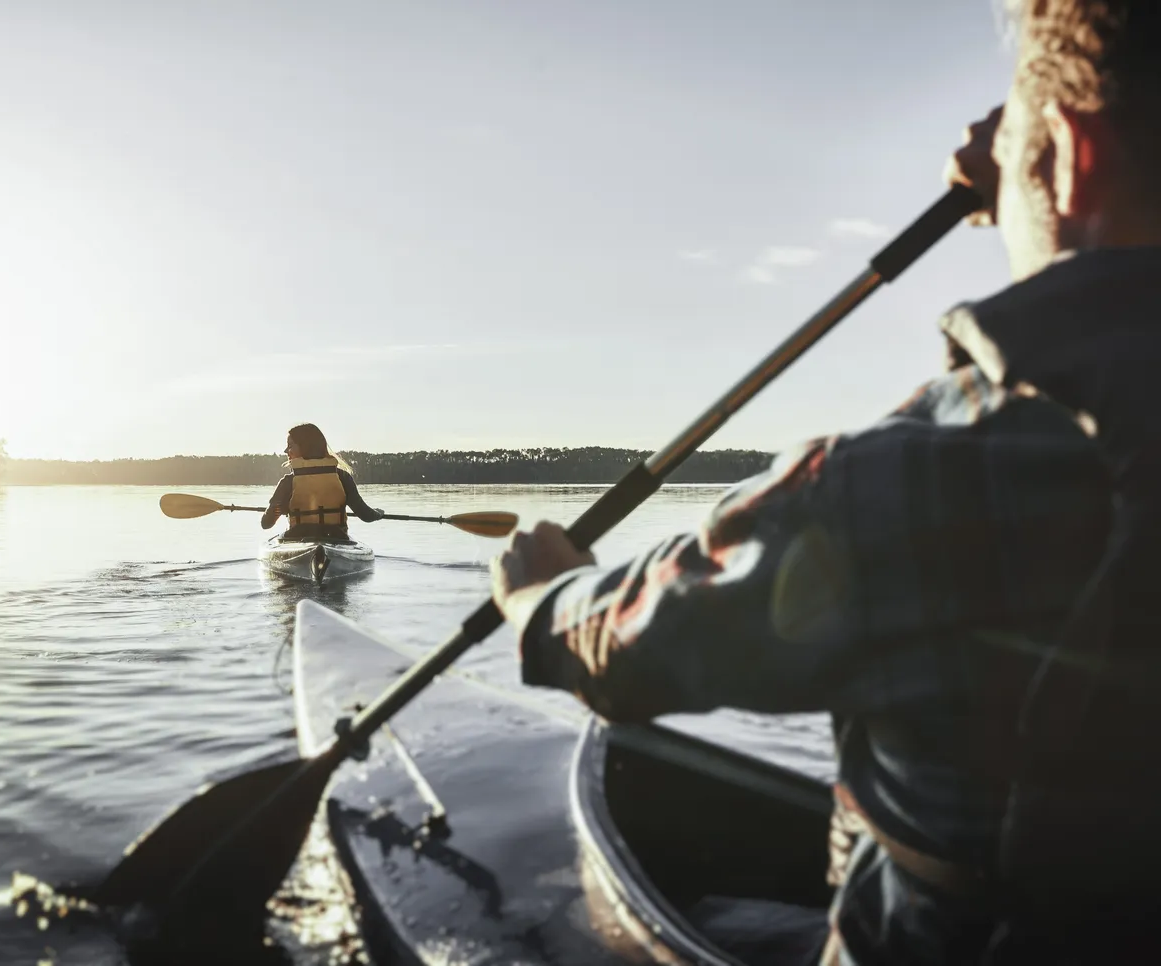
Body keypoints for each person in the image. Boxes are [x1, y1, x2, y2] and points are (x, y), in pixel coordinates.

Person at [490, 2, 1161, 963]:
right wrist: (1035, 150)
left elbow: (631, 648)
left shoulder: (937, 471)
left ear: (1064, 151)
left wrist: (541, 595)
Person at [261, 423, 384, 542]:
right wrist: (379, 513)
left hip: (297, 537)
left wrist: (278, 509)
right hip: (337, 537)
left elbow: (266, 523)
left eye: (290, 445)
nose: (286, 450)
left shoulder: (288, 482)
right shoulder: (342, 477)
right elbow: (366, 515)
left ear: (305, 446)